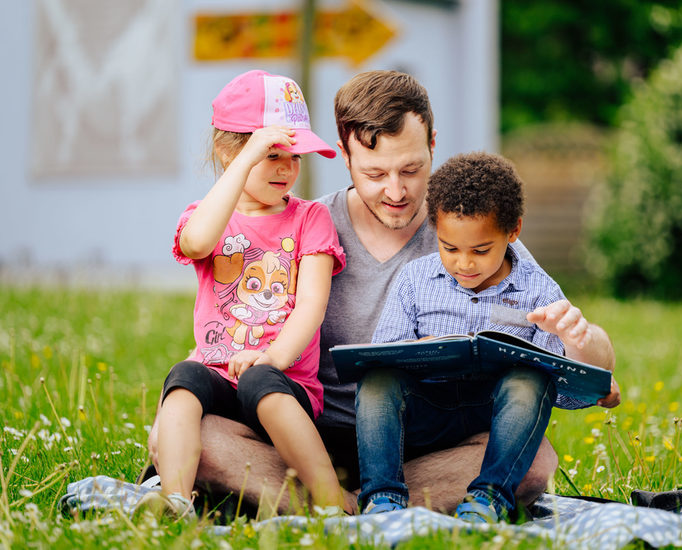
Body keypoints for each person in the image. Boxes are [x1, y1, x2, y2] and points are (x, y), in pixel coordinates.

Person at [148, 70, 617, 515]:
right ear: (344, 156)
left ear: (433, 146)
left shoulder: (472, 235)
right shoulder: (306, 224)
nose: (396, 191)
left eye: (411, 169)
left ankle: (363, 504)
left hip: (422, 440)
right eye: (375, 174)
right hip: (298, 431)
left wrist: (584, 341)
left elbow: (581, 348)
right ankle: (349, 503)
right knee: (193, 434)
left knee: (534, 463)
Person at [355, 151, 621, 523]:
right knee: (378, 380)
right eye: (450, 248)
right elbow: (383, 357)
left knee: (531, 378)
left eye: (481, 251)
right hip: (426, 411)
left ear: (513, 232)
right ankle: (382, 499)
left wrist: (590, 382)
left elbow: (558, 389)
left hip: (493, 419)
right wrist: (418, 351)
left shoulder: (538, 290)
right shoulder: (415, 280)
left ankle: (488, 499)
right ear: (435, 229)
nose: (465, 263)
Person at [139, 70, 348, 519]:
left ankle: (333, 503)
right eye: (271, 154)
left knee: (258, 381)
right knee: (182, 379)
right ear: (228, 153)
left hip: (282, 380)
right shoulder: (206, 217)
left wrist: (273, 357)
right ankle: (176, 498)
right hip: (217, 373)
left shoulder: (309, 218)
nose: (286, 167)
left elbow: (312, 304)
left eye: (294, 155)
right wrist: (245, 158)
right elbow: (195, 243)